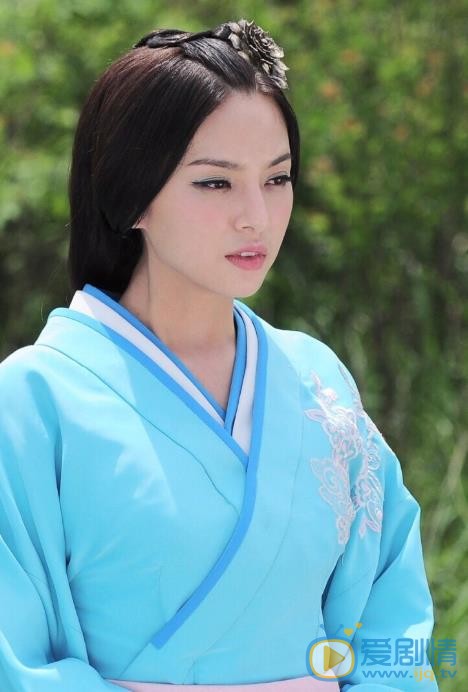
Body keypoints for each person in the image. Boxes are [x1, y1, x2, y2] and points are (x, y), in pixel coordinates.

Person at [0, 18, 438, 692]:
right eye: (215, 183)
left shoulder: (317, 379)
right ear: (131, 193)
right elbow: (15, 661)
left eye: (278, 178)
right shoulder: (33, 400)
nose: (256, 217)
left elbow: (390, 614)